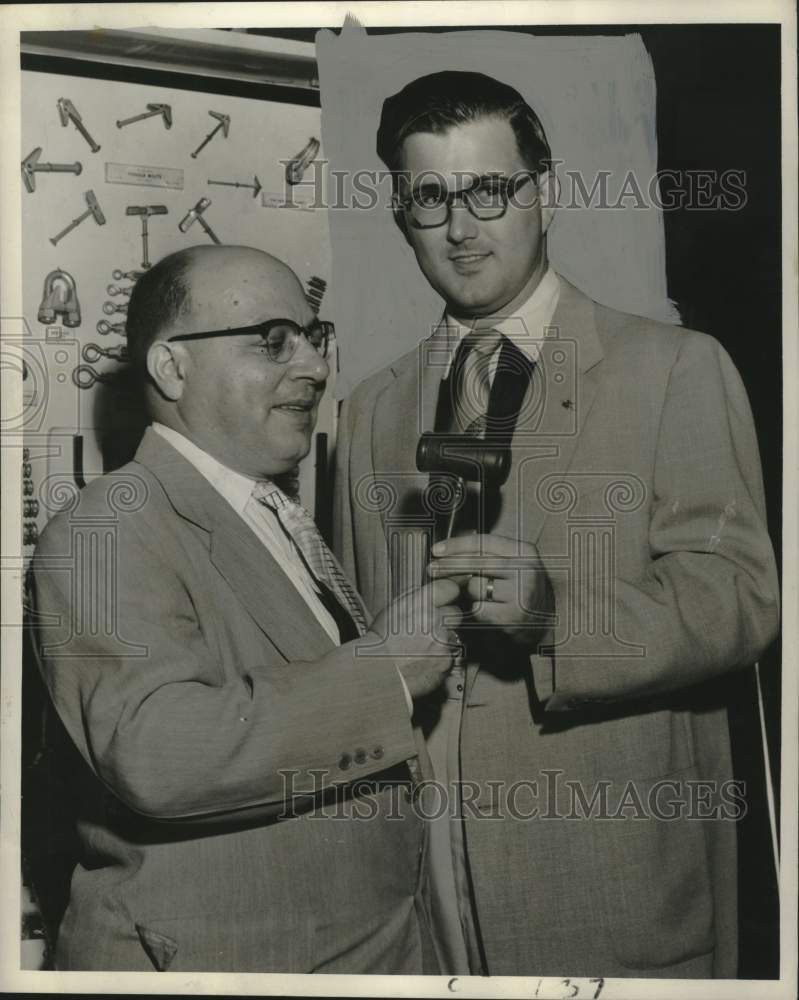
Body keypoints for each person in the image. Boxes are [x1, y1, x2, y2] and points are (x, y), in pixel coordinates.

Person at [334, 71, 780, 978]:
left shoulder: (673, 369)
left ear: (547, 191)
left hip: (611, 895)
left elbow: (739, 599)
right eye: (430, 198)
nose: (461, 229)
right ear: (399, 215)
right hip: (416, 908)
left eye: (489, 191)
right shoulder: (369, 410)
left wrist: (555, 616)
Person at [31, 244, 463, 973]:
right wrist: (383, 676)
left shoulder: (268, 512)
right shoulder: (108, 524)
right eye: (272, 340)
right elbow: (157, 752)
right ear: (172, 368)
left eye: (313, 337)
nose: (315, 366)